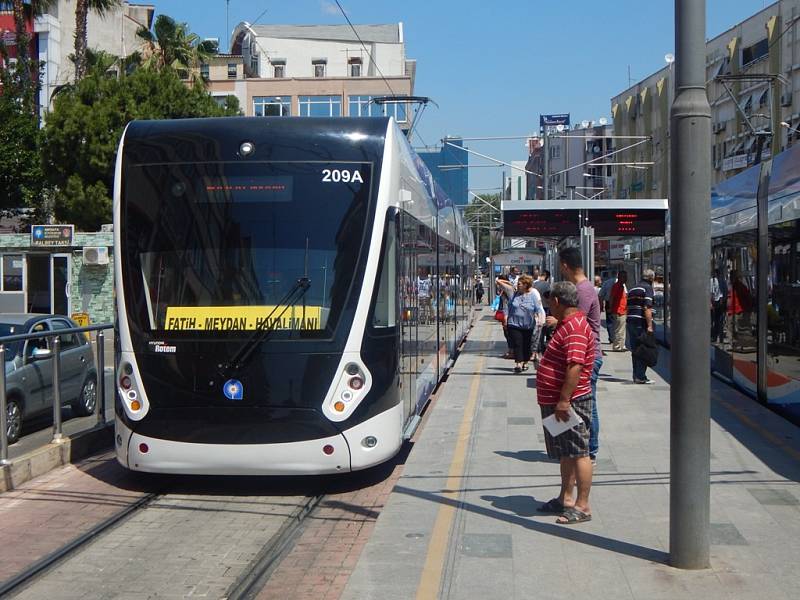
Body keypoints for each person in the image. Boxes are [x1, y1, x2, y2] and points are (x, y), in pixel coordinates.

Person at [535, 281, 595, 525]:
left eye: (550, 302)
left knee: (579, 451)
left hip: (569, 404)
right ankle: (565, 498)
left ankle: (582, 506)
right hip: (556, 402)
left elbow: (575, 366)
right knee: (566, 452)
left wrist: (563, 400)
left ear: (557, 302)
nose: (549, 306)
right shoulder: (568, 324)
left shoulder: (576, 328)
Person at [550, 247, 602, 462]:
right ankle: (580, 446)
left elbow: (575, 322)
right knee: (586, 403)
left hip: (585, 356)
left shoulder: (582, 291)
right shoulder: (585, 287)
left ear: (564, 265)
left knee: (586, 405)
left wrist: (556, 321)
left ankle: (588, 449)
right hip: (587, 353)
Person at [496, 274, 545, 373]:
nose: (518, 286)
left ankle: (525, 362)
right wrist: (506, 318)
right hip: (514, 324)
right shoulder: (513, 294)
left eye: (520, 284)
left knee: (526, 344)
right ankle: (518, 363)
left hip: (528, 325)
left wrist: (540, 320)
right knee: (518, 343)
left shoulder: (533, 296)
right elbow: (507, 306)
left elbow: (539, 309)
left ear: (526, 285)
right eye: (518, 284)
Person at [627, 268, 656, 384]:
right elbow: (647, 307)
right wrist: (649, 325)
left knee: (635, 349)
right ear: (651, 278)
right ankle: (640, 376)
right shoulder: (648, 288)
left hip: (631, 322)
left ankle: (636, 375)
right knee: (643, 349)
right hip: (641, 323)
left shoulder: (633, 288)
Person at [609, 270, 628, 351]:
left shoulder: (622, 286)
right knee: (619, 330)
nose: (626, 278)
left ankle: (622, 345)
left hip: (623, 310)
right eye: (625, 277)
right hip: (618, 311)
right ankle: (617, 346)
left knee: (622, 329)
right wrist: (611, 308)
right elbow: (612, 298)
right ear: (620, 277)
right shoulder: (616, 286)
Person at [599, 275, 616, 344]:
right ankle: (616, 338)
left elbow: (601, 295)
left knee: (610, 321)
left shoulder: (606, 283)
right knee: (618, 321)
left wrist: (601, 305)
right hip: (618, 303)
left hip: (608, 303)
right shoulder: (621, 283)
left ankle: (611, 338)